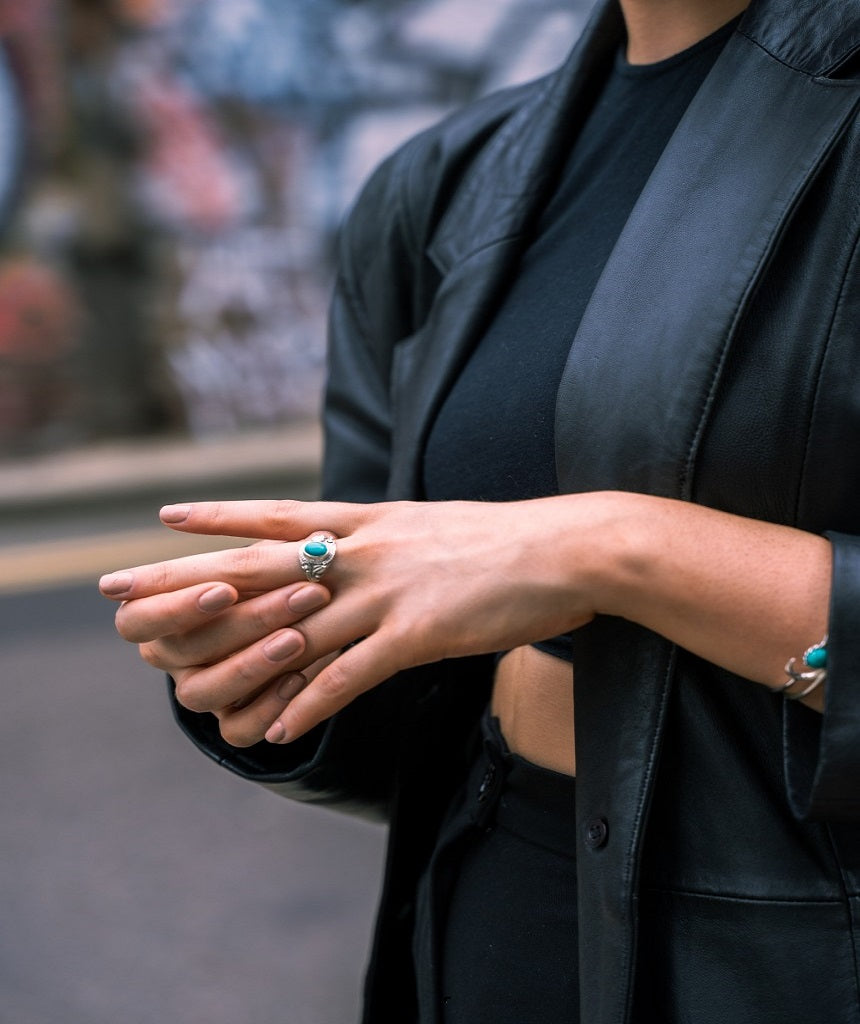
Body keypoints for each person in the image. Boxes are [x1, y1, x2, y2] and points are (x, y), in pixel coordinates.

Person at [100, 0, 860, 1020]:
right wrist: (272, 657)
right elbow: (405, 641)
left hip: (799, 954)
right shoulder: (451, 181)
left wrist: (611, 549)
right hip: (494, 906)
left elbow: (538, 558)